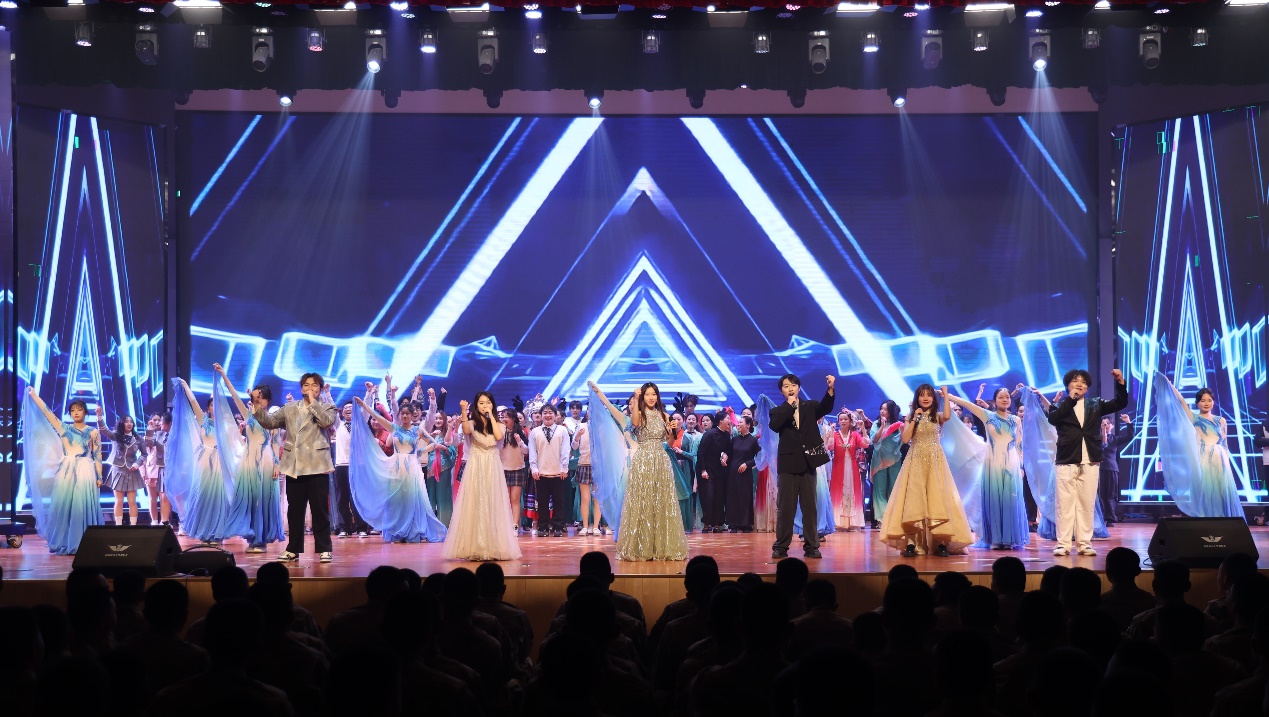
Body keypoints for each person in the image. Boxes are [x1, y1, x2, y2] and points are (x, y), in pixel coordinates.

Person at [588, 381, 688, 561]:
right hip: (643, 461)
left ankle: (661, 546)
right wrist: (634, 397)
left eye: (654, 394)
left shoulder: (665, 416)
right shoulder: (639, 414)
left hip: (661, 461)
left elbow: (670, 443)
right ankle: (641, 546)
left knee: (661, 503)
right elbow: (633, 422)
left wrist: (671, 432)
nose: (651, 397)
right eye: (647, 394)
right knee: (642, 502)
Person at [878, 385, 973, 557]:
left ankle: (940, 542)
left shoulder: (937, 416)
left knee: (937, 499)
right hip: (915, 461)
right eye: (922, 395)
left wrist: (945, 395)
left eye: (929, 395)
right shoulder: (910, 417)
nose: (926, 398)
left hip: (935, 461)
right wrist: (915, 418)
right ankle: (912, 543)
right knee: (914, 500)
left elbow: (947, 415)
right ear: (917, 399)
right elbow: (906, 439)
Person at [253, 372, 337, 563]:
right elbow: (269, 422)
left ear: (320, 389)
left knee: (320, 511)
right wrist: (257, 406)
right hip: (294, 465)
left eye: (314, 385)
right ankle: (293, 549)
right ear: (301, 388)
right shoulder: (290, 408)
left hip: (317, 465)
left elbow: (326, 422)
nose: (310, 388)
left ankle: (324, 548)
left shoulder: (327, 407)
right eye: (306, 385)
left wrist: (313, 402)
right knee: (295, 511)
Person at [349, 384, 448, 544]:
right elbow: (376, 416)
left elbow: (433, 442)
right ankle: (397, 531)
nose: (405, 416)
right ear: (399, 415)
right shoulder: (394, 428)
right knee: (397, 500)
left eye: (407, 414)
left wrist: (420, 452)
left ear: (412, 415)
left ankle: (412, 531)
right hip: (396, 467)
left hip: (412, 468)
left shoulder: (418, 430)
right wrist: (363, 404)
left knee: (411, 499)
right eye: (402, 414)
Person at [1046, 368, 1129, 557]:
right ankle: (1063, 544)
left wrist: (1120, 382)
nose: (1079, 384)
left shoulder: (1095, 404)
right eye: (1075, 381)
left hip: (1091, 458)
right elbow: (1053, 419)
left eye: (1083, 382)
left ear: (1088, 387)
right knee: (1064, 504)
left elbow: (1120, 403)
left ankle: (1084, 543)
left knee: (1086, 502)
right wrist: (1071, 400)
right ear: (1068, 385)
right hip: (1067, 459)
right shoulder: (1058, 406)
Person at [21, 390, 104, 555]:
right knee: (64, 506)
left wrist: (99, 476)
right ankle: (66, 541)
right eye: (72, 410)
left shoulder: (93, 432)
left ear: (85, 412)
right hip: (66, 470)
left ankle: (84, 542)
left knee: (81, 506)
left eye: (79, 409)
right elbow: (47, 412)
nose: (76, 413)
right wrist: (35, 396)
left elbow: (98, 455)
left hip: (85, 470)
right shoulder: (63, 427)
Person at [213, 364, 285, 553]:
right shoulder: (248, 414)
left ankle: (261, 540)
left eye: (261, 397)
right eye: (255, 397)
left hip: (266, 460)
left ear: (268, 399)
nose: (257, 400)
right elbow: (234, 396)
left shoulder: (273, 419)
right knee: (249, 499)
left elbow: (276, 443)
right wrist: (223, 375)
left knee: (263, 499)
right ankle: (253, 537)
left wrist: (277, 465)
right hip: (249, 460)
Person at [945, 387, 1029, 549]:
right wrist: (948, 396)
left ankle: (1009, 538)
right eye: (1001, 397)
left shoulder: (1015, 420)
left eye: (1007, 397)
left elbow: (1019, 444)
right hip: (993, 463)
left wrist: (1021, 465)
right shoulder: (988, 416)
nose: (1005, 399)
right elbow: (968, 404)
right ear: (994, 401)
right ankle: (996, 539)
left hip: (1011, 463)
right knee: (995, 500)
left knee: (1010, 500)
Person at [443, 392, 522, 561]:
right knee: (475, 502)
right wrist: (463, 411)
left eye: (487, 402)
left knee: (492, 502)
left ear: (492, 405)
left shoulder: (499, 425)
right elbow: (466, 430)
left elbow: (498, 437)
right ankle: (474, 546)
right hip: (475, 464)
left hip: (492, 464)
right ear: (476, 405)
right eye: (481, 403)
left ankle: (494, 546)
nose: (484, 405)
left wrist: (491, 416)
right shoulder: (471, 423)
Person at [1153, 375, 1244, 519]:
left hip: (1220, 460)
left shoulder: (1221, 420)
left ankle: (1223, 520)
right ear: (1197, 403)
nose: (1206, 403)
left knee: (1222, 492)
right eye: (1202, 400)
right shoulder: (1194, 418)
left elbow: (1224, 444)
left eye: (1209, 400)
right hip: (1202, 459)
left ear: (1213, 402)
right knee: (1204, 490)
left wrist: (1226, 463)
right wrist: (1170, 385)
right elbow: (1181, 401)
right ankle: (1206, 519)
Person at [768, 373, 836, 560]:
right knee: (786, 509)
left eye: (793, 385)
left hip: (808, 463)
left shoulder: (810, 406)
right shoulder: (777, 411)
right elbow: (775, 426)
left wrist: (830, 389)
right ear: (782, 391)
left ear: (798, 388)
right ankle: (781, 547)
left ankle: (812, 546)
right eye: (786, 386)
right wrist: (790, 406)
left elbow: (826, 407)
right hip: (788, 465)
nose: (790, 388)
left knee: (810, 508)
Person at [171, 379, 232, 545]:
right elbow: (193, 402)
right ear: (209, 408)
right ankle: (204, 533)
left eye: (218, 405)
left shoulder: (227, 425)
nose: (215, 408)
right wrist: (185, 386)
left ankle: (217, 534)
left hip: (219, 462)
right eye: (212, 405)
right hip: (204, 462)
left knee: (218, 498)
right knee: (203, 497)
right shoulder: (203, 420)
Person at [95, 408, 144, 527]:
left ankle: (133, 525)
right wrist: (99, 416)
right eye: (126, 421)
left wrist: (137, 464)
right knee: (119, 500)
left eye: (131, 421)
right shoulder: (116, 435)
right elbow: (103, 430)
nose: (129, 423)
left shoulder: (138, 438)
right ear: (122, 423)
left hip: (132, 470)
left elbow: (144, 454)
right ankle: (118, 525)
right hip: (118, 470)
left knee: (132, 501)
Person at [529, 404, 572, 537]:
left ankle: (558, 526)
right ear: (541, 416)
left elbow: (566, 450)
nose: (548, 415)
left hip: (559, 472)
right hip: (541, 472)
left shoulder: (562, 430)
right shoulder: (535, 432)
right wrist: (534, 468)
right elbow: (532, 451)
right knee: (542, 502)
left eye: (550, 413)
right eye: (545, 413)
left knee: (559, 501)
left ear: (555, 415)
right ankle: (543, 527)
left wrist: (564, 467)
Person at [332, 402, 369, 539]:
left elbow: (366, 410)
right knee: (342, 498)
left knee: (357, 497)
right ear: (342, 413)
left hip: (357, 465)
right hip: (341, 465)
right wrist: (327, 393)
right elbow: (332, 408)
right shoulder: (338, 424)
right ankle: (345, 528)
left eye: (351, 408)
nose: (348, 409)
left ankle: (361, 528)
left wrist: (369, 394)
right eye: (346, 408)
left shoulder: (360, 424)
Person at [831, 410, 870, 531]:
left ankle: (853, 522)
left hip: (852, 468)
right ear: (838, 421)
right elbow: (829, 446)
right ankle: (838, 522)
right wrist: (830, 432)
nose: (843, 421)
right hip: (838, 467)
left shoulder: (855, 435)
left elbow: (865, 444)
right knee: (839, 492)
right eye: (841, 419)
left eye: (845, 419)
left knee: (852, 491)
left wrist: (863, 429)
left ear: (850, 421)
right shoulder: (835, 435)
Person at [696, 410, 732, 532]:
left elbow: (728, 450)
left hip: (720, 471)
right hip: (707, 470)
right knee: (708, 496)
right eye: (727, 418)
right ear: (721, 420)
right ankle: (707, 523)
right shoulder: (710, 434)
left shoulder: (726, 435)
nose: (729, 420)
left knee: (718, 497)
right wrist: (703, 470)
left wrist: (725, 455)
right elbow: (701, 453)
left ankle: (716, 523)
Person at [870, 400, 904, 526]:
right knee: (879, 491)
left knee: (894, 489)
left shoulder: (897, 424)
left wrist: (903, 430)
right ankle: (882, 520)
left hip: (894, 459)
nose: (882, 411)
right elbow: (874, 440)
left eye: (885, 409)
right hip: (879, 460)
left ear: (891, 411)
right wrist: (882, 427)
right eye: (881, 409)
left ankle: (893, 519)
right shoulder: (876, 424)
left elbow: (902, 440)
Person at [724, 415, 761, 532]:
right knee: (732, 497)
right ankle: (733, 524)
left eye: (741, 422)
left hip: (745, 474)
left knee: (744, 497)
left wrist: (747, 464)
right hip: (732, 473)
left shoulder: (753, 440)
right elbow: (729, 453)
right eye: (738, 422)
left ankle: (745, 523)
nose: (738, 424)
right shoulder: (734, 439)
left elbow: (759, 457)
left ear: (748, 425)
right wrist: (724, 457)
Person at [499, 408, 530, 534]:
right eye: (502, 417)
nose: (504, 419)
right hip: (503, 469)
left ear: (513, 419)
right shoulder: (500, 432)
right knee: (505, 499)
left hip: (518, 469)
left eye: (506, 417)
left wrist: (519, 441)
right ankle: (504, 526)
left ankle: (515, 525)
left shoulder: (519, 432)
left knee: (515, 499)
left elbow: (526, 451)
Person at [1098, 413, 1134, 525]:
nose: (1106, 425)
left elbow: (1130, 437)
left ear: (1112, 426)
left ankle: (1110, 518)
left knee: (1111, 494)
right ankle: (1100, 517)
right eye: (1104, 423)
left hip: (1111, 468)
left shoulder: (1115, 439)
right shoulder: (1096, 439)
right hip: (1098, 469)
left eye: (1108, 423)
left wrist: (1128, 423)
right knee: (1099, 494)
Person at [665, 414, 696, 533]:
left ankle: (685, 524)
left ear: (683, 421)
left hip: (684, 469)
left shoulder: (688, 437)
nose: (676, 421)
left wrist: (682, 453)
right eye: (674, 419)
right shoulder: (664, 436)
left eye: (679, 419)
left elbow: (694, 456)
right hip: (668, 468)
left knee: (684, 495)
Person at [143, 413, 172, 526]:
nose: (158, 422)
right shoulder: (156, 435)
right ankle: (158, 522)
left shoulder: (175, 434)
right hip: (155, 470)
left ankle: (171, 523)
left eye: (160, 420)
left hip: (170, 469)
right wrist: (150, 429)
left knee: (169, 498)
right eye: (154, 420)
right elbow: (147, 445)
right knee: (155, 498)